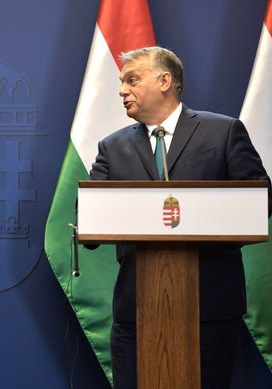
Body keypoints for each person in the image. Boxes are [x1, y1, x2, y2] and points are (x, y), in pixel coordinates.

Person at [89, 46, 272, 389]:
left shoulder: (224, 132)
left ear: (164, 81)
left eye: (132, 79)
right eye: (120, 82)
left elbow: (259, 200)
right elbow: (90, 216)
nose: (121, 90)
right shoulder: (110, 147)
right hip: (136, 311)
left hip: (211, 307)